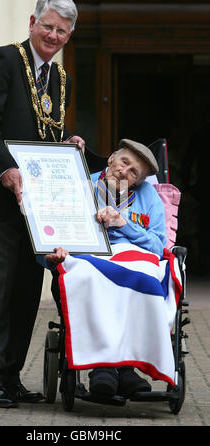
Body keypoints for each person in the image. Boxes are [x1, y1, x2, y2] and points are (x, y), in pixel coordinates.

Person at [0, 0, 84, 408]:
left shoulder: (61, 79)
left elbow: (45, 135)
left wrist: (70, 145)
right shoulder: (4, 59)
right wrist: (6, 169)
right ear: (32, 22)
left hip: (34, 206)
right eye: (48, 26)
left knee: (26, 292)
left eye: (62, 30)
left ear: (69, 35)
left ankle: (10, 378)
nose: (53, 35)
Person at [44, 139, 168, 398]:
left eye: (134, 171)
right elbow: (53, 231)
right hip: (90, 255)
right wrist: (58, 250)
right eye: (124, 162)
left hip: (134, 258)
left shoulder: (149, 196)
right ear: (111, 158)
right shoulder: (79, 184)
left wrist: (124, 223)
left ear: (138, 182)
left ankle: (125, 368)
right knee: (90, 276)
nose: (124, 171)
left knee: (144, 279)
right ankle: (103, 367)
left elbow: (158, 246)